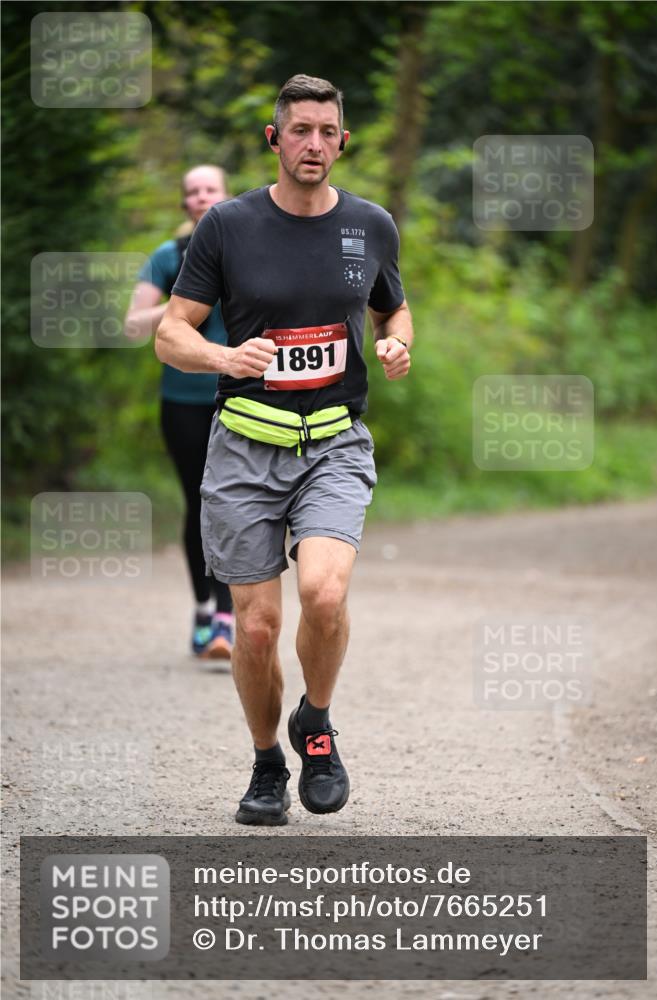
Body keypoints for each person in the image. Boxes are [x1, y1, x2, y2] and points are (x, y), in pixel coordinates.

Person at [156, 75, 413, 825]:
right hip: (244, 446)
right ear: (274, 139)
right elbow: (174, 332)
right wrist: (223, 358)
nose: (313, 144)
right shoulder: (227, 227)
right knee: (258, 626)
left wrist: (396, 342)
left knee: (326, 595)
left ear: (342, 140)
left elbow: (391, 307)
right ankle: (268, 759)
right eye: (299, 130)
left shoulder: (370, 224)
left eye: (326, 132)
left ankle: (318, 724)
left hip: (334, 439)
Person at [125, 165, 235, 660]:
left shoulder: (247, 250)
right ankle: (203, 607)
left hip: (241, 398)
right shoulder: (169, 257)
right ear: (184, 203)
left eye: (210, 189)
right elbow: (132, 326)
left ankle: (227, 619)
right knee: (198, 503)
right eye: (192, 191)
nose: (201, 197)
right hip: (183, 404)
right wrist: (183, 300)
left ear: (226, 195)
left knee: (234, 505)